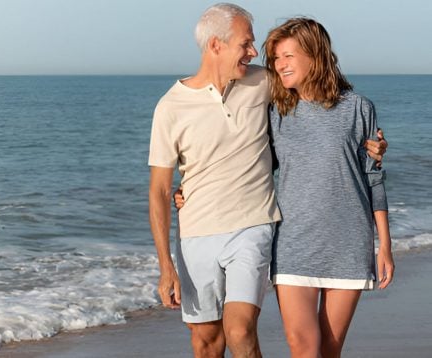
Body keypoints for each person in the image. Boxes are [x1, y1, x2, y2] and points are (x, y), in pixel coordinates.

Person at [150, 4, 388, 358]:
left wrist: (368, 150)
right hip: (243, 236)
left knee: (282, 339)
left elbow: (363, 165)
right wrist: (187, 199)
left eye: (283, 55)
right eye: (248, 45)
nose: (260, 56)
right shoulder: (183, 106)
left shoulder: (283, 87)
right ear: (216, 45)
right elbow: (166, 186)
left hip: (297, 233)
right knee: (239, 344)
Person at [263, 18, 395, 357]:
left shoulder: (358, 108)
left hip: (347, 242)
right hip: (293, 243)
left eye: (289, 56)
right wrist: (189, 189)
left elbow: (373, 178)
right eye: (276, 58)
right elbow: (252, 168)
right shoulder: (276, 112)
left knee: (331, 349)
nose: (281, 65)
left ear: (315, 54)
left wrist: (385, 246)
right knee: (304, 348)